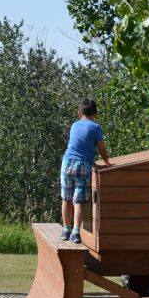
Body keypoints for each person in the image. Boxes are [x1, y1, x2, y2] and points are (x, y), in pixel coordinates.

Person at [61, 98, 111, 243]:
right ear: (96, 114)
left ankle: (65, 229)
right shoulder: (95, 127)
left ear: (79, 114)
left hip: (66, 162)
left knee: (66, 199)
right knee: (79, 201)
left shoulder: (74, 126)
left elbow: (79, 148)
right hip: (82, 165)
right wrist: (106, 162)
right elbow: (100, 147)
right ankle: (76, 232)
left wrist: (94, 165)